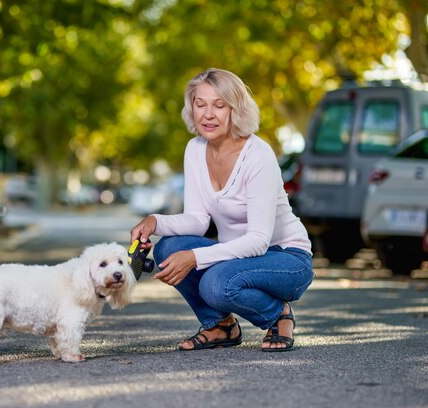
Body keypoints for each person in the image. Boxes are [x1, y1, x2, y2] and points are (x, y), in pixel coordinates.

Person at [130, 68, 313, 352]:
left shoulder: (258, 155)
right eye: (200, 104)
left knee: (217, 284)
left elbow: (258, 240)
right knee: (167, 248)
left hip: (286, 259)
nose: (208, 114)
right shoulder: (195, 149)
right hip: (239, 258)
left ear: (235, 109)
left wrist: (194, 257)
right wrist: (155, 223)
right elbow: (198, 219)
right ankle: (220, 326)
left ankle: (278, 316)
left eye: (219, 105)